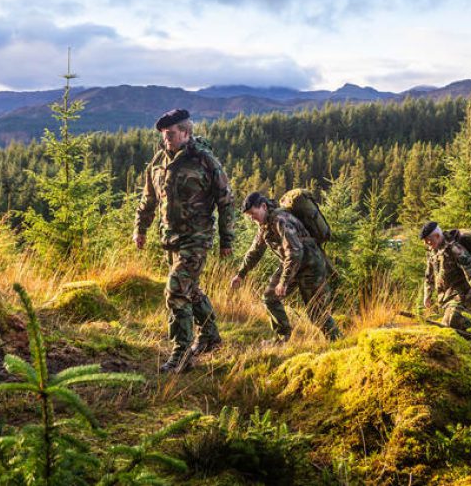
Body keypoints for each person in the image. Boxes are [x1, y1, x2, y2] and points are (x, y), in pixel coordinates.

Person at [133, 108, 234, 373]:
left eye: (171, 134)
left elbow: (226, 201)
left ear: (186, 133)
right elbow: (149, 199)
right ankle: (210, 336)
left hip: (197, 239)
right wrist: (140, 229)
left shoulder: (205, 161)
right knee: (190, 289)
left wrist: (227, 239)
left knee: (176, 290)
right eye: (164, 135)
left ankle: (182, 355)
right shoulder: (158, 162)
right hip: (171, 239)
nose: (166, 138)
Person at [230, 192, 341, 343]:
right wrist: (240, 274)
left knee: (316, 312)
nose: (252, 218)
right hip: (293, 265)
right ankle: (282, 337)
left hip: (311, 266)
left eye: (253, 214)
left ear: (263, 206)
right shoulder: (264, 226)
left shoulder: (280, 220)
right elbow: (255, 252)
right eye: (249, 215)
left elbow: (295, 251)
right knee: (270, 297)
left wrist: (284, 281)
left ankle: (338, 341)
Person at [419, 221, 471, 332]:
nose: (427, 244)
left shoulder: (455, 250)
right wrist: (427, 295)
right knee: (459, 329)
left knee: (449, 323)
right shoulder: (433, 251)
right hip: (445, 298)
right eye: (425, 241)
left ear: (437, 236)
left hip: (461, 297)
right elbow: (428, 276)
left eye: (428, 240)